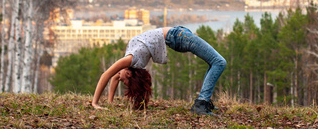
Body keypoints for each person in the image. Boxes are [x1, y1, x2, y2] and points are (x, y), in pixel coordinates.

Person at [92, 26, 226, 115]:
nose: (119, 78)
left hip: (178, 35)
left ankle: (203, 102)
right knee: (219, 62)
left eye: (123, 80)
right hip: (178, 36)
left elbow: (107, 75)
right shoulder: (133, 64)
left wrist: (95, 102)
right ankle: (202, 102)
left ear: (128, 72)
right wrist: (109, 103)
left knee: (216, 62)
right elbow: (114, 77)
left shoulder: (129, 60)